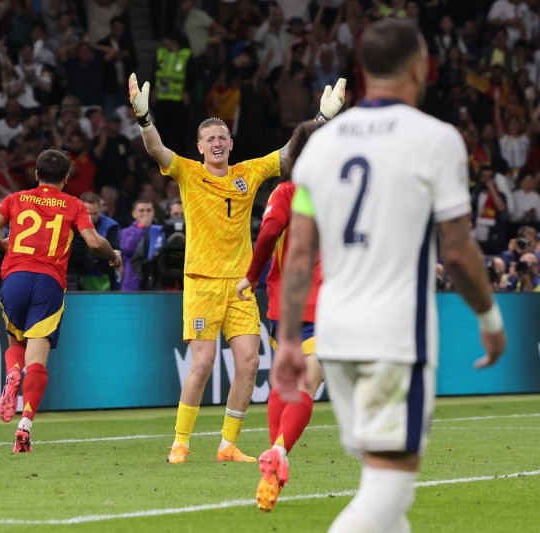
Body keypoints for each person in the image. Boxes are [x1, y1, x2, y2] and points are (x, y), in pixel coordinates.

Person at [272, 19, 506, 532]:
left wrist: (290, 337)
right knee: (386, 490)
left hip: (334, 336)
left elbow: (299, 254)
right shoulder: (435, 138)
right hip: (395, 340)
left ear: (360, 71)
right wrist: (490, 318)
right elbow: (460, 250)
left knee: (386, 500)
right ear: (421, 67)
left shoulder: (319, 149)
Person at [128, 71, 346, 463]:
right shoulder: (188, 172)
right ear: (199, 146)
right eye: (209, 138)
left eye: (221, 137)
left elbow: (289, 152)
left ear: (231, 144)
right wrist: (145, 120)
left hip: (241, 286)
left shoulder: (248, 172)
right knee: (204, 363)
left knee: (249, 362)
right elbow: (157, 149)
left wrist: (322, 120)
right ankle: (180, 441)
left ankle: (227, 445)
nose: (216, 143)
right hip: (201, 282)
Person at [0, 149, 122, 453]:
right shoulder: (73, 204)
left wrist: (4, 244)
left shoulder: (16, 198)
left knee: (15, 345)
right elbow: (94, 243)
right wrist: (114, 256)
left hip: (15, 278)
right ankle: (25, 424)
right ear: (67, 178)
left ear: (36, 174)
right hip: (48, 282)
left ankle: (13, 373)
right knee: (38, 359)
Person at [234, 120, 323, 511]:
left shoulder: (288, 192)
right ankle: (280, 450)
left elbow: (268, 230)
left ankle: (271, 467)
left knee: (285, 381)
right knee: (310, 378)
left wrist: (251, 277)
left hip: (282, 301)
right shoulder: (344, 195)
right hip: (325, 302)